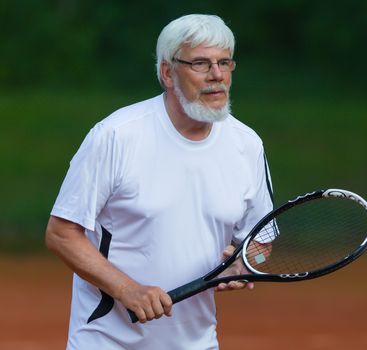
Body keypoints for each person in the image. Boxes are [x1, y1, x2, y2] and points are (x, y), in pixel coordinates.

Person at [45, 14, 274, 350]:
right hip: (106, 342)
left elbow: (261, 239)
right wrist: (127, 289)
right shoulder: (116, 136)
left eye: (224, 62)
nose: (217, 75)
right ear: (168, 72)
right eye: (200, 63)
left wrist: (244, 262)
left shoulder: (246, 144)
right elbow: (61, 233)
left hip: (198, 342)